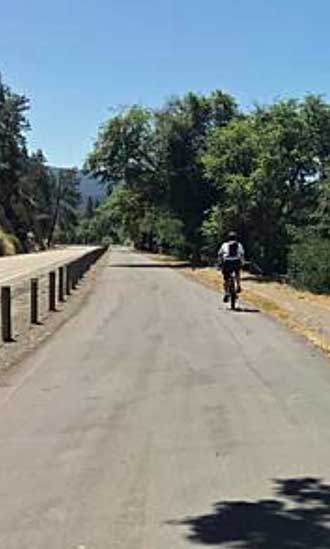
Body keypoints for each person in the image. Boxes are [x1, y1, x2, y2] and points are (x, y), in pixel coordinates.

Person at [218, 231, 245, 303]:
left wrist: (220, 263)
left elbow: (220, 254)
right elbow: (242, 254)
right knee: (237, 273)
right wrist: (242, 262)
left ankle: (226, 292)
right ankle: (238, 286)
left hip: (227, 262)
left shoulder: (224, 245)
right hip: (236, 262)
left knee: (226, 279)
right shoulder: (239, 245)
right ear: (236, 238)